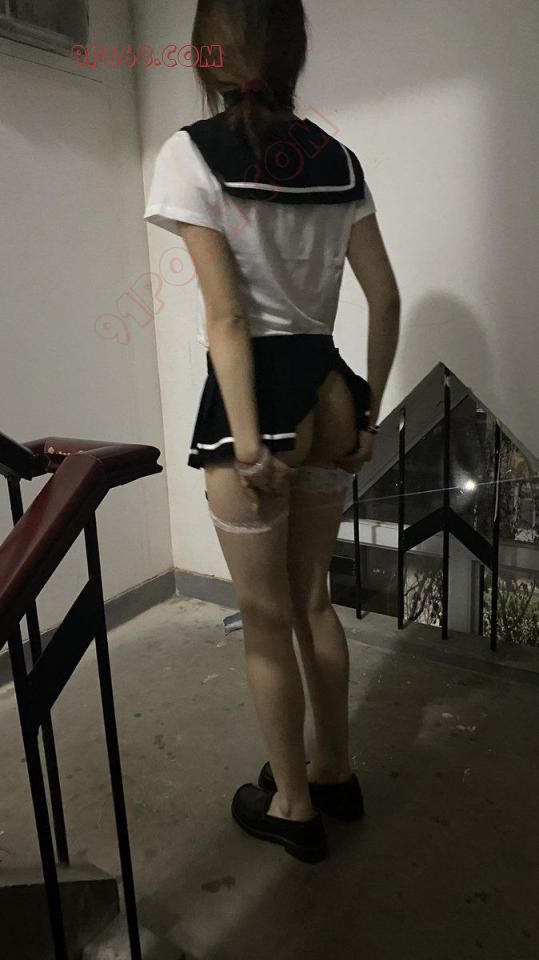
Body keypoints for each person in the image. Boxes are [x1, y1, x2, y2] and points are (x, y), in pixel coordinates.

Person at [144, 0, 400, 863]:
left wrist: (248, 441)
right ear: (293, 51)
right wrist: (367, 412)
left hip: (254, 404)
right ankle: (333, 771)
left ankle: (291, 806)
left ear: (205, 55)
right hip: (329, 395)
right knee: (313, 601)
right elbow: (385, 298)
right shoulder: (338, 158)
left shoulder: (189, 154)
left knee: (263, 620)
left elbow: (226, 317)